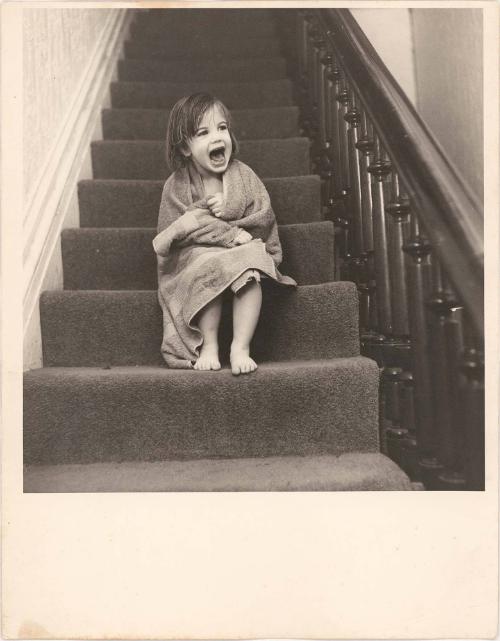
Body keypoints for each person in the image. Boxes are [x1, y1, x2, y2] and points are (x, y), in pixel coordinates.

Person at [153, 92, 295, 374]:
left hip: (242, 251)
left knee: (251, 266)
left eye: (222, 128)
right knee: (207, 264)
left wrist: (230, 208)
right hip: (200, 257)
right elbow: (175, 232)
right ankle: (209, 345)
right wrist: (223, 232)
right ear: (185, 149)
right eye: (203, 133)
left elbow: (263, 217)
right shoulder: (177, 185)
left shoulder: (243, 175)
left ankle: (240, 346)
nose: (217, 137)